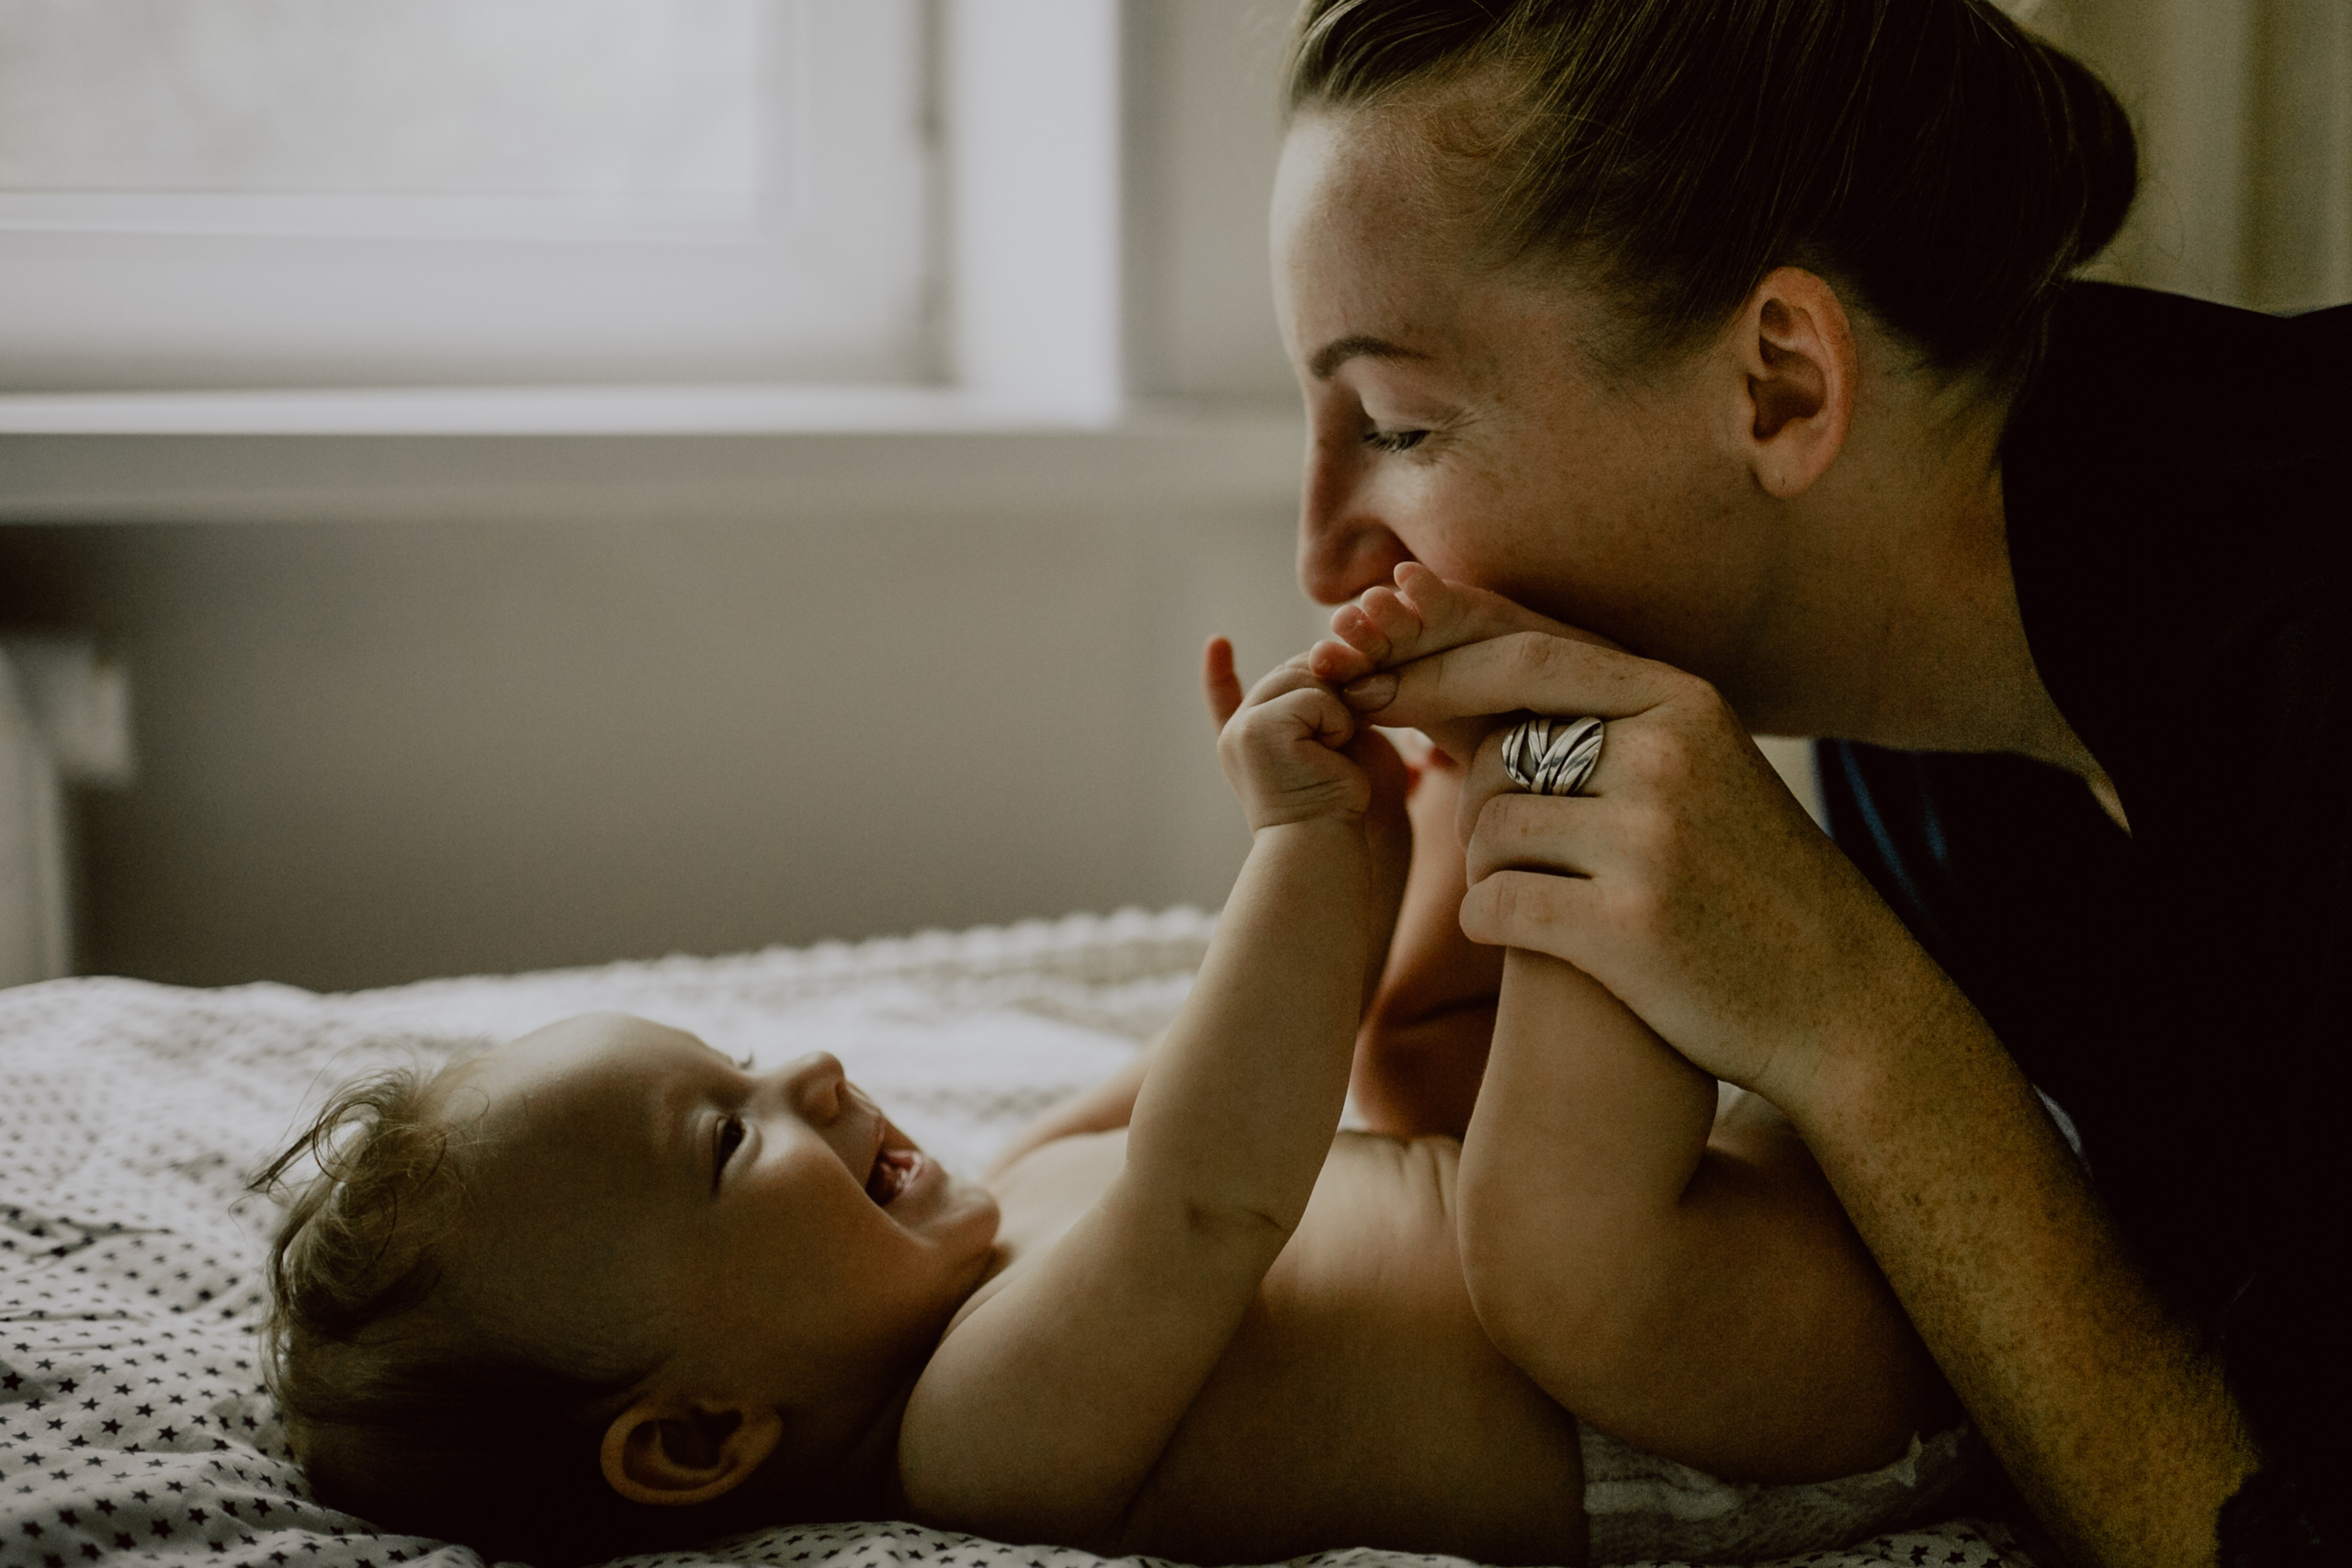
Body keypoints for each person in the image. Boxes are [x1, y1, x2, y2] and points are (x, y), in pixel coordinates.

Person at [1269, 2, 2352, 1565]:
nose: (1324, 554)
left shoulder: (2306, 666)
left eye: (1398, 424)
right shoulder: (1898, 712)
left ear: (1778, 383)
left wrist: (1852, 1017)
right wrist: (1461, 881)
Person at [253, 641, 1970, 1568]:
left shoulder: (996, 1204)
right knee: (1542, 1239)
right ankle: (1581, 752)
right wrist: (1287, 853)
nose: (808, 1075)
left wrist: (1362, 838)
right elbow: (1214, 1180)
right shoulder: (987, 1438)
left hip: (1723, 1236)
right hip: (1709, 1407)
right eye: (724, 1139)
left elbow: (1272, 1049)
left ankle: (1493, 783)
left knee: (1402, 1044)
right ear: (701, 1438)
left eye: (739, 1057)